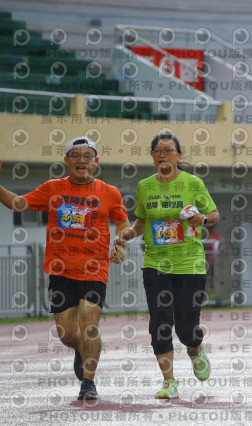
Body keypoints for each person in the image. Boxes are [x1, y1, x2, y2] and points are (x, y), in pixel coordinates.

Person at [0, 137, 129, 400]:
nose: (82, 160)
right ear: (66, 161)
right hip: (61, 271)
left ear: (96, 161)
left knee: (89, 325)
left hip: (95, 270)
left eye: (88, 156)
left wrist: (121, 243)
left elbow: (123, 222)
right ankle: (80, 349)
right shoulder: (52, 188)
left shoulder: (109, 192)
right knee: (68, 335)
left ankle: (88, 383)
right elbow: (18, 204)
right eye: (76, 155)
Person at [117, 132, 219, 399]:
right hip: (155, 264)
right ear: (153, 157)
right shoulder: (144, 187)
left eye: (168, 150)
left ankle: (195, 349)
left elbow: (214, 215)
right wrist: (127, 235)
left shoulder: (193, 183)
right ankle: (169, 381)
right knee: (160, 323)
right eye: (158, 151)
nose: (163, 155)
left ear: (178, 155)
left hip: (189, 264)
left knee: (187, 328)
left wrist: (201, 219)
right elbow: (142, 222)